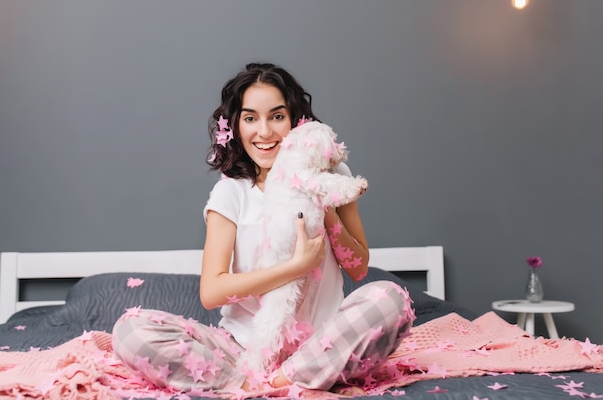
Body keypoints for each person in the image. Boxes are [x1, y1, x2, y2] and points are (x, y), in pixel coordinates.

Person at [112, 63, 414, 395]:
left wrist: (323, 208)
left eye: (277, 116)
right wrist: (296, 267)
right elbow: (211, 293)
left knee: (391, 300)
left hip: (323, 345)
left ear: (296, 120)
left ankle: (278, 382)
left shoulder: (334, 172)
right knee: (130, 330)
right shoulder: (232, 191)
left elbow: (358, 268)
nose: (265, 132)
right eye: (251, 118)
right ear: (236, 126)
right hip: (243, 350)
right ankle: (253, 384)